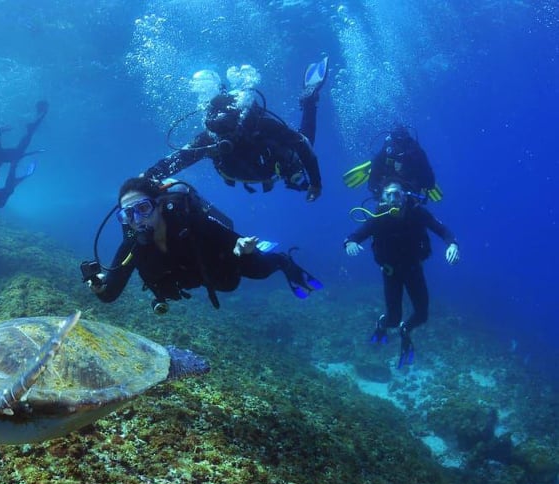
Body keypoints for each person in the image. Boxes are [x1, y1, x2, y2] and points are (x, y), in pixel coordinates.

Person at [85, 177, 323, 313]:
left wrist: (242, 249)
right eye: (128, 214)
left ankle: (283, 261)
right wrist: (97, 286)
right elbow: (110, 295)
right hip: (190, 278)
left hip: (220, 269)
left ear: (158, 205)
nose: (138, 220)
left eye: (143, 208)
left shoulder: (192, 223)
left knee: (256, 270)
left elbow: (233, 239)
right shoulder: (132, 246)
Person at [141, 57, 328, 202]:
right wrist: (145, 179)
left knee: (305, 142)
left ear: (237, 120)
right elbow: (177, 159)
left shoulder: (259, 124)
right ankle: (309, 101)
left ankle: (309, 101)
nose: (224, 137)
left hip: (281, 165)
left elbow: (302, 144)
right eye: (217, 129)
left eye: (227, 129)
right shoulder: (208, 139)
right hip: (260, 172)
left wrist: (315, 184)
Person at [343, 181, 460, 367]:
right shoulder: (378, 217)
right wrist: (350, 244)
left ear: (404, 196)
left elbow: (443, 230)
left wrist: (453, 244)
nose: (393, 199)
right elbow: (355, 235)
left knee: (422, 315)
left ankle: (405, 329)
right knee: (393, 318)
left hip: (414, 270)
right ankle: (382, 325)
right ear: (383, 198)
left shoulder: (417, 213)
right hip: (391, 274)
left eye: (396, 194)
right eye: (388, 195)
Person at [343, 125, 440, 200]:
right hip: (391, 197)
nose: (400, 148)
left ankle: (371, 167)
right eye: (398, 143)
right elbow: (373, 184)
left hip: (407, 196)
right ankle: (371, 167)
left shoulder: (416, 153)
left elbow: (429, 182)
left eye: (403, 143)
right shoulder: (388, 153)